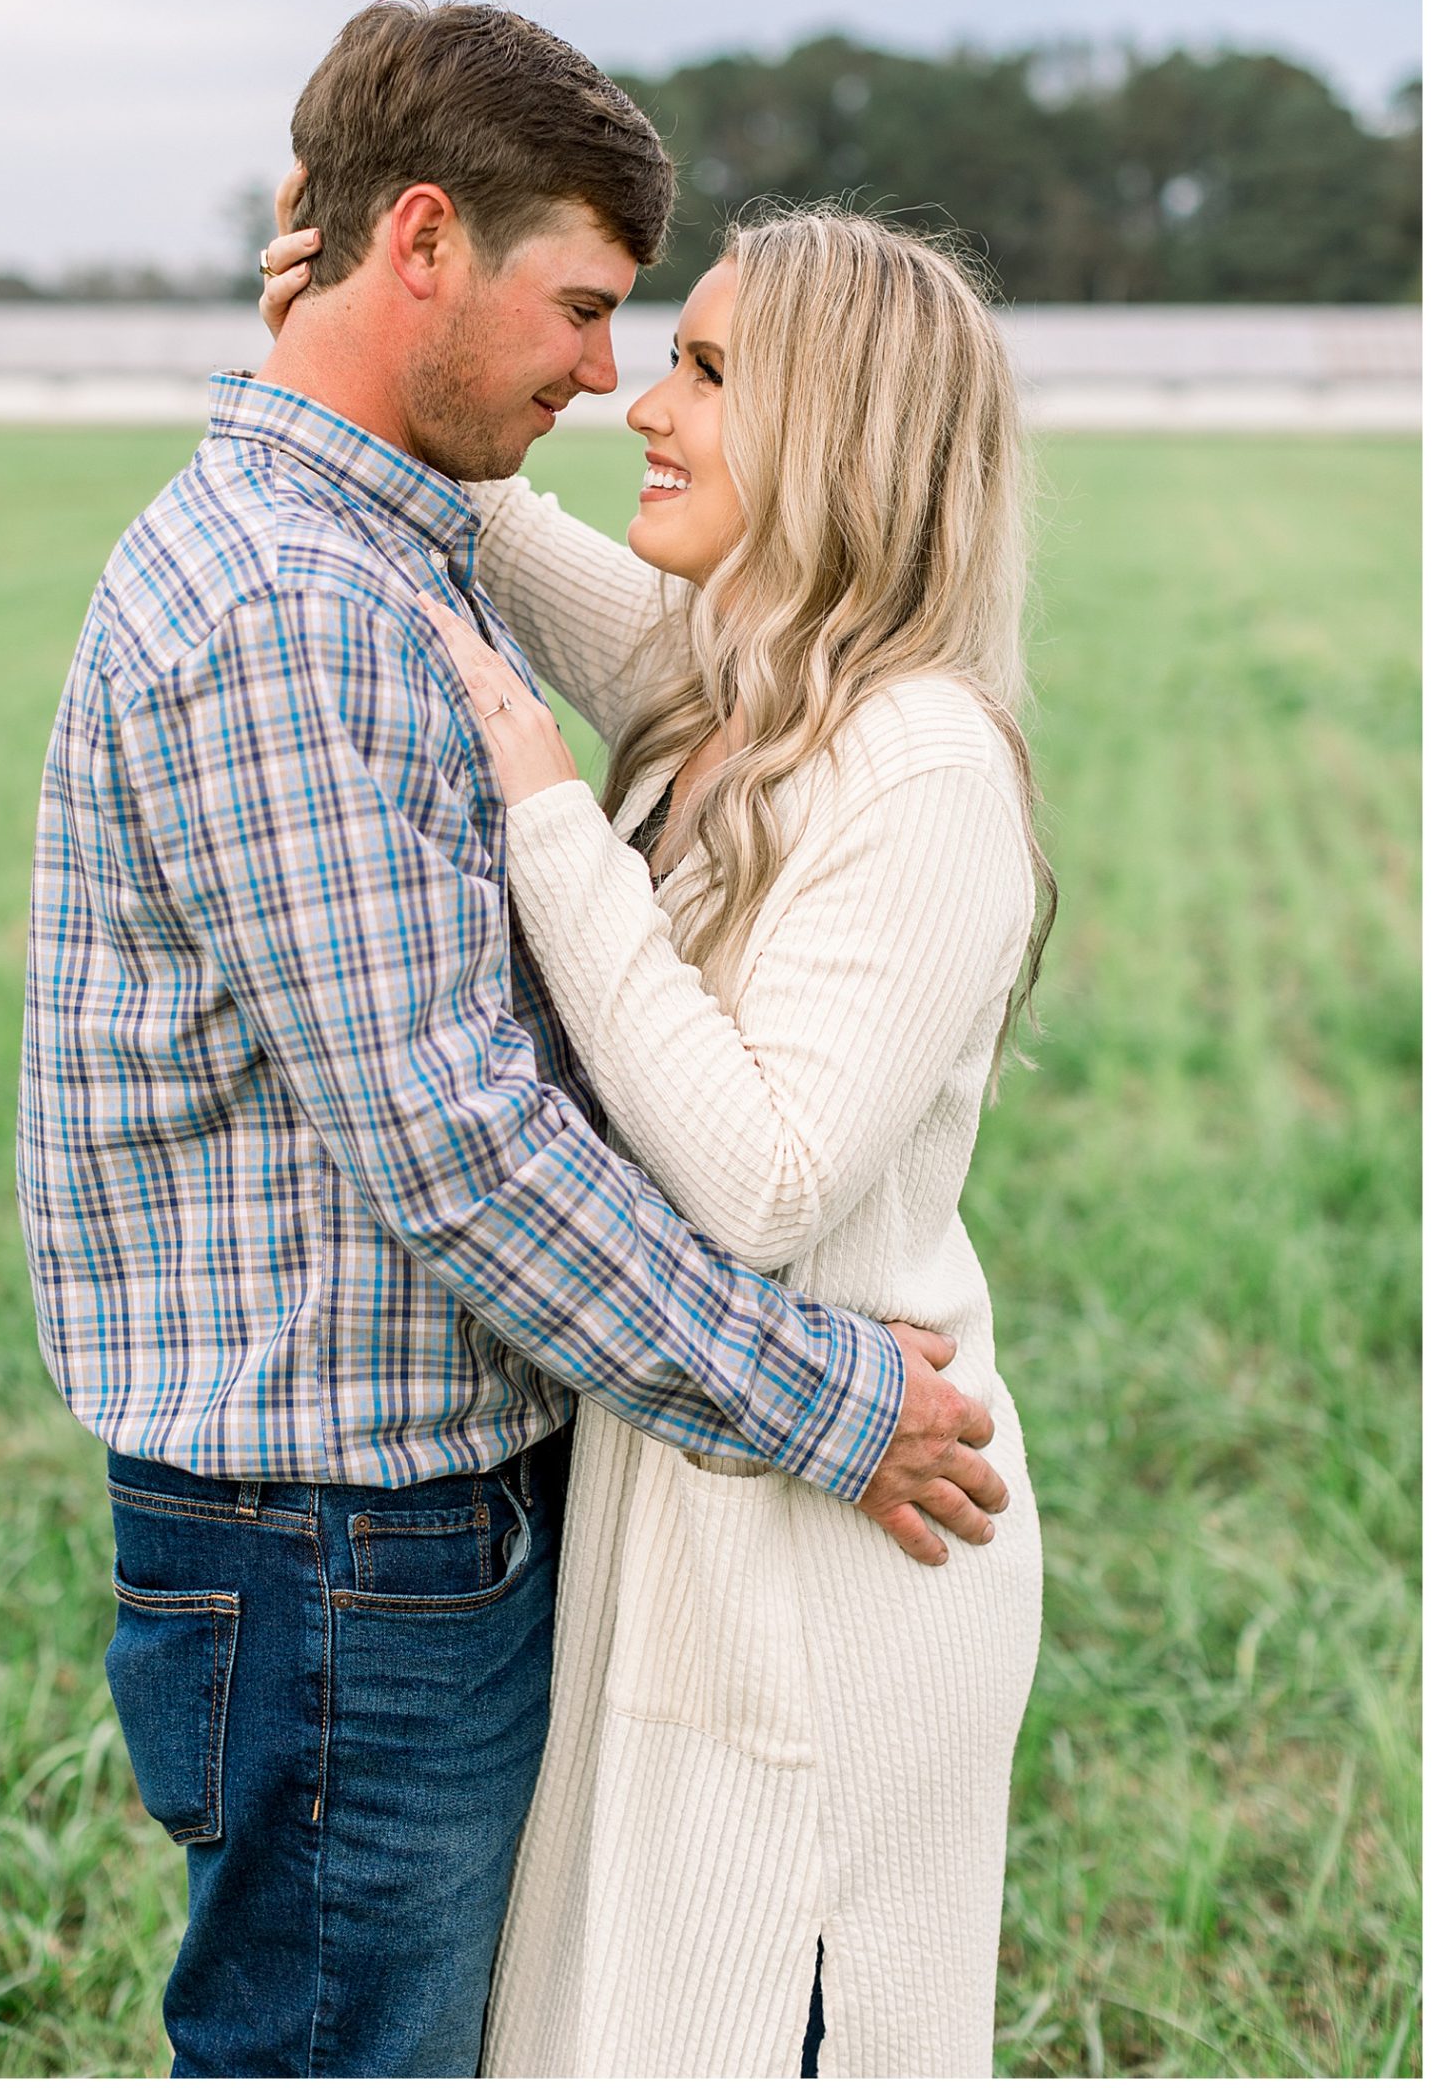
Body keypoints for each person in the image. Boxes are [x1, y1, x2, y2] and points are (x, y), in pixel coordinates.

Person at [17, 0, 1009, 2082]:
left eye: (680, 354)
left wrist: (329, 384)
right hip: (339, 1535)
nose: (605, 379)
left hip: (450, 1520)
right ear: (423, 244)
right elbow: (461, 1143)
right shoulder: (301, 605)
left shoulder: (791, 704)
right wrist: (823, 1399)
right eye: (583, 310)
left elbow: (522, 558)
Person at [264, 193, 1054, 2079]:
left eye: (701, 369)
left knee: (766, 2011)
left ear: (835, 430)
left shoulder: (918, 761)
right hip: (720, 1488)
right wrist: (352, 323)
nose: (642, 403)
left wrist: (551, 824)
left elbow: (761, 1182)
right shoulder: (751, 688)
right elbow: (493, 525)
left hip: (835, 1562)